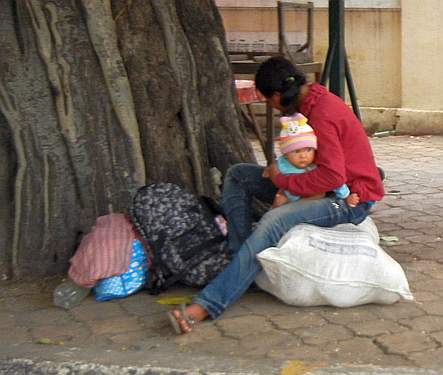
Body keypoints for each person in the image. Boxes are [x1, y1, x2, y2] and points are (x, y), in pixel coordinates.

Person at [167, 56, 384, 334]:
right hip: (317, 187)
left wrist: (282, 180)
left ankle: (207, 304)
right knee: (237, 175)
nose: (268, 106)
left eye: (268, 99)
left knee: (275, 220)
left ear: (279, 95)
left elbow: (333, 178)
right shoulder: (309, 103)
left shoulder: (322, 112)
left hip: (348, 199)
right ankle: (239, 261)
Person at [267, 113, 359, 208]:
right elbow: (274, 168)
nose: (303, 156)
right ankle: (274, 212)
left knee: (319, 194)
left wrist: (346, 196)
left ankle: (291, 210)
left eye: (308, 150)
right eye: (296, 151)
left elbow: (336, 182)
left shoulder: (316, 166)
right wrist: (269, 171)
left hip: (310, 199)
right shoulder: (283, 163)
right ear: (286, 154)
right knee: (279, 198)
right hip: (289, 196)